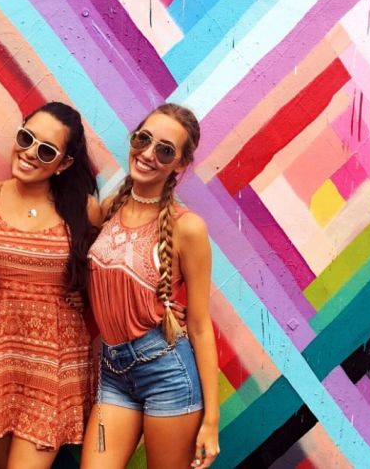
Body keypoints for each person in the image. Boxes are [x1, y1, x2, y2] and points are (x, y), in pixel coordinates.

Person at [80, 104, 220, 469]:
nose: (147, 154)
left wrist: (211, 421)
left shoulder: (188, 228)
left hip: (167, 372)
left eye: (165, 150)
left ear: (180, 166)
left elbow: (202, 326)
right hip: (113, 372)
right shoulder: (113, 206)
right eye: (143, 139)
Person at [0, 102, 100, 469]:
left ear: (64, 163)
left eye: (46, 150)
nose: (29, 153)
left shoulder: (84, 210)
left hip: (55, 363)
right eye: (26, 138)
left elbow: (104, 278)